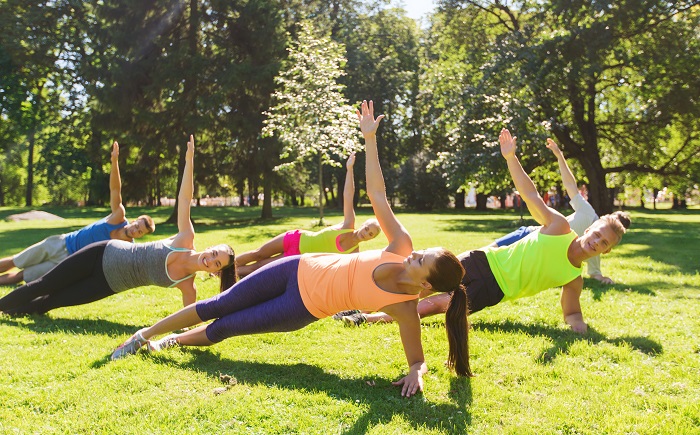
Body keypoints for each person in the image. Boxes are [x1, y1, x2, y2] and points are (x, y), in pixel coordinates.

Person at [110, 101, 470, 397]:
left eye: (421, 260)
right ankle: (141, 336)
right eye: (422, 251)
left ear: (425, 285)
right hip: (295, 267)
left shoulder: (405, 308)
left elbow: (415, 359)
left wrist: (417, 372)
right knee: (216, 305)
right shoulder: (400, 244)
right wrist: (370, 140)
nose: (414, 253)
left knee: (226, 328)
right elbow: (377, 194)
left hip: (300, 307)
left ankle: (173, 342)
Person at [341, 129, 630, 334]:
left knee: (439, 304)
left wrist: (579, 326)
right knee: (424, 282)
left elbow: (572, 312)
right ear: (590, 226)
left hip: (497, 289)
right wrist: (510, 158)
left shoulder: (573, 278)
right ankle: (361, 304)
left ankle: (370, 319)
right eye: (597, 233)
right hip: (485, 259)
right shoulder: (560, 227)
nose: (596, 241)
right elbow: (531, 196)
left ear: (606, 250)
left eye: (603, 242)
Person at [0, 135, 236, 314]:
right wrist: (189, 160)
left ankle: (10, 311)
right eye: (214, 253)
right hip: (102, 253)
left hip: (107, 284)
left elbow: (187, 317)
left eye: (216, 263)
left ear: (215, 271)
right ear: (210, 247)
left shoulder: (187, 286)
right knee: (43, 285)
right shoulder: (185, 239)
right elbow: (185, 199)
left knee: (52, 302)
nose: (210, 259)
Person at [0, 141, 155, 286]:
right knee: (16, 261)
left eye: (140, 231)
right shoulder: (118, 217)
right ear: (134, 220)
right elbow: (115, 190)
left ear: (141, 236)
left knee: (24, 276)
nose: (135, 230)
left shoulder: (126, 248)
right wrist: (114, 161)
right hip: (60, 243)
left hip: (66, 263)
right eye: (137, 225)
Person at [489, 138, 614, 284]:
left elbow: (594, 271)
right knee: (483, 255)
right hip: (531, 234)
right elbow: (570, 185)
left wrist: (600, 277)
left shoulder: (595, 244)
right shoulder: (588, 215)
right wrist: (560, 155)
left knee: (496, 271)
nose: (600, 239)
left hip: (537, 254)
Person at [235, 153, 381, 277]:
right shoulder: (348, 224)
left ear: (371, 239)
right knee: (258, 254)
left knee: (259, 267)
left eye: (370, 234)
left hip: (296, 258)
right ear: (363, 225)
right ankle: (224, 265)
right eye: (367, 228)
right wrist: (349, 170)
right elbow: (348, 195)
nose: (366, 233)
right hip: (296, 238)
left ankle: (225, 273)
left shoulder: (353, 253)